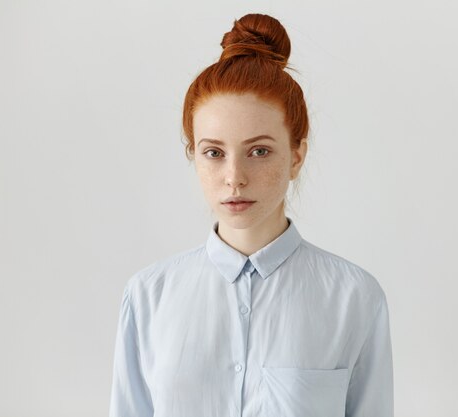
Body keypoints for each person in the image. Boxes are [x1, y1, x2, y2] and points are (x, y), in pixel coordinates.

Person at [109, 13, 393, 417]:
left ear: (297, 155)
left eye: (259, 151)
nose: (235, 178)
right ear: (194, 156)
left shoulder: (354, 298)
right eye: (214, 152)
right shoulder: (147, 298)